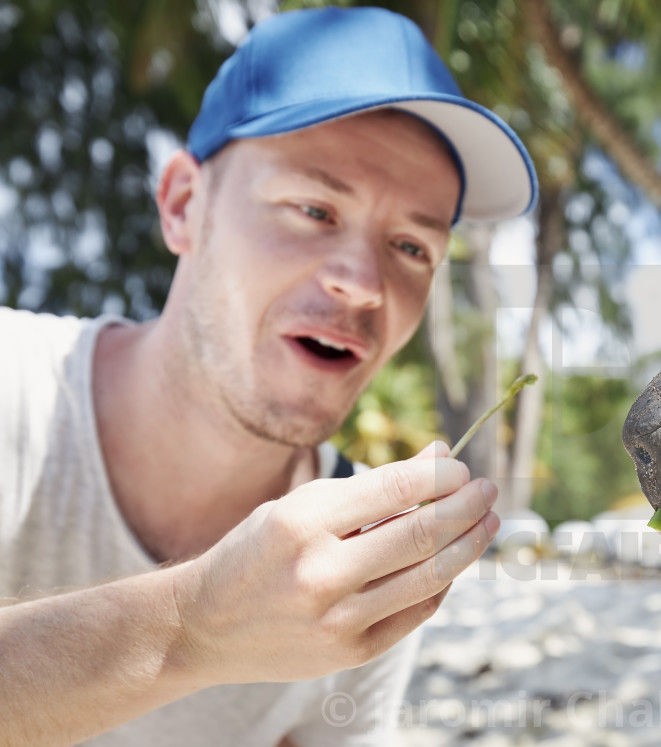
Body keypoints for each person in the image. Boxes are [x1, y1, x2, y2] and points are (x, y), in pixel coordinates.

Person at [0, 6, 537, 746]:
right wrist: (192, 630)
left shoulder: (366, 556)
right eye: (314, 208)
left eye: (412, 246)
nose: (364, 283)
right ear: (185, 205)